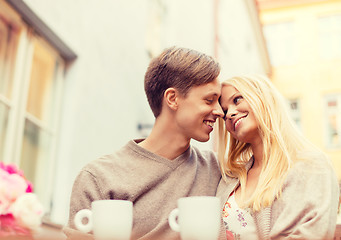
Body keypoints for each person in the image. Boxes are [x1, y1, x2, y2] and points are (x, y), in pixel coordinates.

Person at [63, 46, 226, 240]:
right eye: (209, 100)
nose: (220, 112)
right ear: (172, 99)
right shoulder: (98, 177)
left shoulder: (219, 170)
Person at [216, 74, 339, 240]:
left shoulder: (313, 166)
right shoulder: (230, 179)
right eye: (224, 112)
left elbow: (314, 233)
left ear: (264, 99)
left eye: (237, 100)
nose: (230, 113)